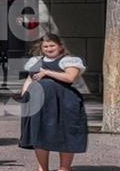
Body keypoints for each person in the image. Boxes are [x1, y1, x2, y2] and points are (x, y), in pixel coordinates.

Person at [17, 32, 88, 171]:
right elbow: (30, 79)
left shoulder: (69, 60)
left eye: (52, 45)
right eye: (46, 46)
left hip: (64, 102)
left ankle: (64, 168)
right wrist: (24, 97)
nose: (49, 49)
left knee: (65, 133)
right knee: (39, 134)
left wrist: (47, 73)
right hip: (38, 104)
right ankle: (42, 168)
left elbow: (70, 77)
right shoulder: (35, 61)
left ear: (60, 46)